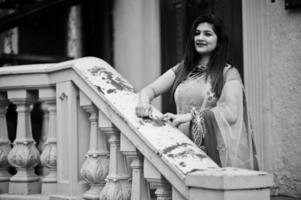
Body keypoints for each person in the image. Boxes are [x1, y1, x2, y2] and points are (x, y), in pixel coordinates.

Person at [135, 14, 258, 170]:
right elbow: (150, 89)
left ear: (219, 41)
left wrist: (188, 117)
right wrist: (143, 102)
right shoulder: (182, 69)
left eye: (207, 34)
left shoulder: (228, 73)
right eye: (197, 33)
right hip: (181, 146)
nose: (200, 37)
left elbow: (232, 113)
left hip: (213, 151)